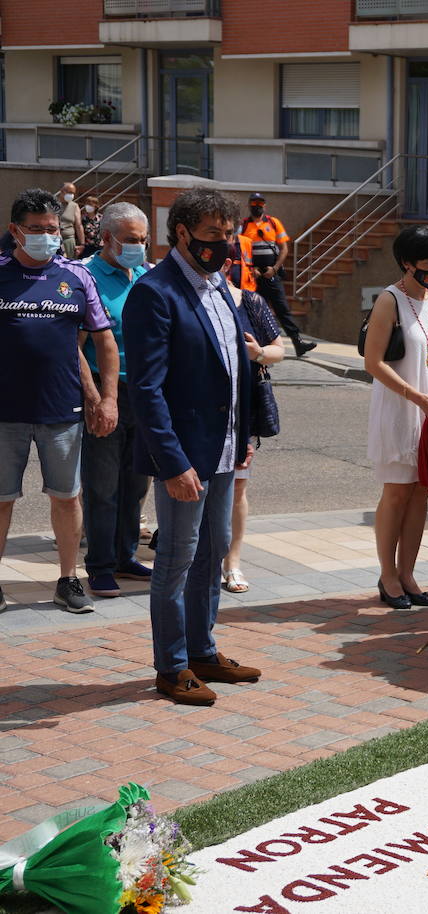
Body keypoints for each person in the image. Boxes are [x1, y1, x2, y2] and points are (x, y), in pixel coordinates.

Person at [123, 187, 260, 706]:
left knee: (214, 550)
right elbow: (147, 389)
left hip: (225, 448)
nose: (223, 244)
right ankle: (172, 666)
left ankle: (203, 651)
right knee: (177, 560)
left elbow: (237, 369)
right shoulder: (155, 293)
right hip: (184, 455)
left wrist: (245, 434)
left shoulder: (221, 288)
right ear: (181, 233)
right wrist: (173, 463)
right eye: (212, 235)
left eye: (228, 235)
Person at [0, 188, 118, 613]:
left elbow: (104, 341)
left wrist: (108, 398)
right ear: (15, 231)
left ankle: (68, 579)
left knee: (68, 497)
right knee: (1, 500)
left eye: (53, 230)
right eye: (37, 230)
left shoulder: (76, 277)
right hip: (4, 413)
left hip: (61, 412)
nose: (47, 237)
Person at [364, 226, 428, 610]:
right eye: (427, 260)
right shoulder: (389, 300)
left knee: (421, 490)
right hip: (401, 408)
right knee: (397, 491)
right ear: (406, 262)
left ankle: (408, 573)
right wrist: (418, 398)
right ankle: (388, 575)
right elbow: (373, 362)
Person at [78, 202, 153, 600]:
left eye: (142, 240)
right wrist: (96, 397)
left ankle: (126, 555)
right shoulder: (86, 276)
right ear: (105, 238)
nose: (137, 247)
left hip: (143, 392)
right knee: (102, 484)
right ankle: (101, 565)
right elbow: (75, 345)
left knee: (136, 482)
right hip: (105, 390)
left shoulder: (144, 274)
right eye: (130, 240)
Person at [220, 242, 287, 595]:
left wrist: (259, 351)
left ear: (229, 263)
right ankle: (202, 557)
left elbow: (280, 349)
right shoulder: (187, 300)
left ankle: (232, 561)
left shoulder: (251, 302)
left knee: (237, 486)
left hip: (241, 411)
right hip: (199, 412)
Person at [241, 192, 314, 358]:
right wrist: (253, 270)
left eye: (260, 203)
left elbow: (284, 249)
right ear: (249, 205)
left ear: (264, 205)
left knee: (283, 309)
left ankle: (298, 343)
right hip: (254, 277)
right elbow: (241, 250)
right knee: (255, 311)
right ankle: (258, 345)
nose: (257, 206)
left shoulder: (274, 223)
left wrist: (274, 269)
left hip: (272, 274)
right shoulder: (244, 226)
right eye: (254, 203)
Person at [57, 182, 84, 258]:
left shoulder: (74, 206)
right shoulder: (54, 204)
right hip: (55, 240)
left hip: (68, 241)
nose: (72, 195)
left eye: (73, 193)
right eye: (70, 192)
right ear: (62, 191)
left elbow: (78, 225)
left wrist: (82, 244)